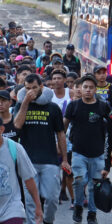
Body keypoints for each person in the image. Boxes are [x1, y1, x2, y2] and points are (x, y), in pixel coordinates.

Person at [14, 74, 71, 224]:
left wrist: (64, 159)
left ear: (41, 87)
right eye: (27, 88)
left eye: (34, 87)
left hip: (50, 160)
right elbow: (17, 125)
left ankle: (47, 221)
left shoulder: (52, 108)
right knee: (31, 201)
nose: (31, 91)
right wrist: (25, 102)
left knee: (52, 198)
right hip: (28, 161)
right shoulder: (21, 105)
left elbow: (60, 133)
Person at [63, 74, 111, 224]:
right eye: (85, 87)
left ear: (95, 89)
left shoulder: (103, 107)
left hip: (98, 154)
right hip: (78, 152)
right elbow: (63, 127)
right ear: (80, 89)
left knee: (93, 187)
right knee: (79, 180)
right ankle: (78, 205)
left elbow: (110, 132)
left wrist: (108, 163)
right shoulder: (73, 106)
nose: (88, 90)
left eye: (91, 87)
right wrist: (61, 144)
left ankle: (92, 214)